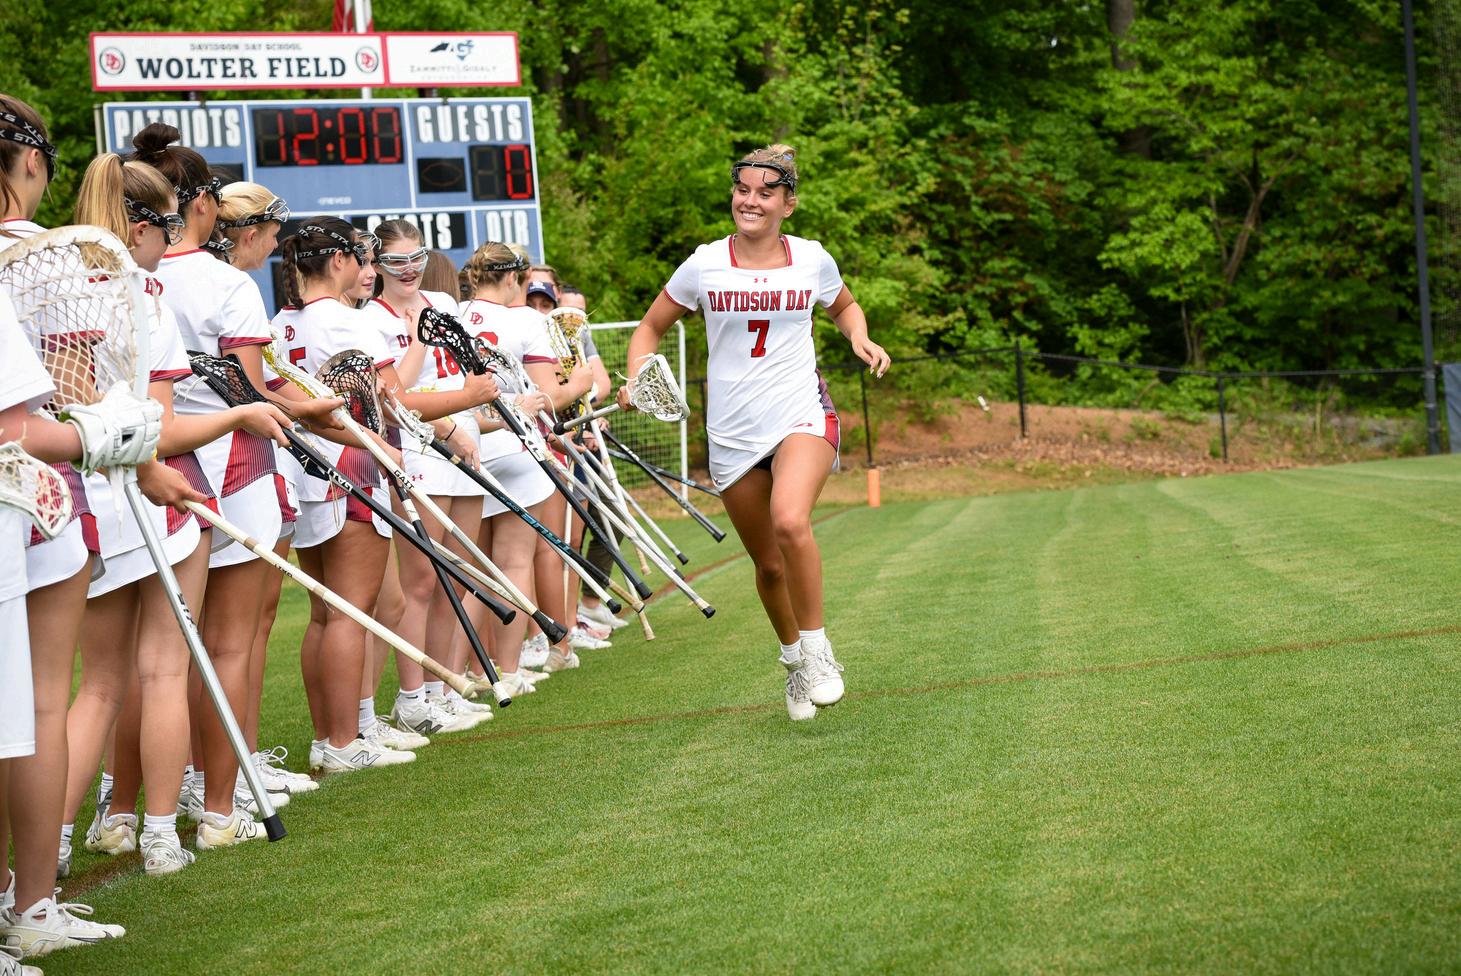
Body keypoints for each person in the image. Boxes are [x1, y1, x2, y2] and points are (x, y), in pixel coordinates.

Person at [61, 153, 290, 877]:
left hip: (81, 506)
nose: (173, 241)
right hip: (148, 497)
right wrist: (240, 416)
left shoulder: (54, 291)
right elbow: (156, 432)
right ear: (141, 228)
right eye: (167, 226)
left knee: (98, 685)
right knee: (163, 671)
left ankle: (60, 842)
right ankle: (162, 834)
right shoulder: (143, 298)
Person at [619, 144, 890, 721]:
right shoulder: (704, 264)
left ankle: (818, 652)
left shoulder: (812, 258)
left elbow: (845, 307)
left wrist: (858, 336)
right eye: (743, 190)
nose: (751, 201)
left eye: (766, 193)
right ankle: (794, 662)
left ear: (788, 204)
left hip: (800, 413)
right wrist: (638, 375)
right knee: (768, 566)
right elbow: (648, 329)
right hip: (732, 432)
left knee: (790, 520)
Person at [272, 219, 415, 773]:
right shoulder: (348, 321)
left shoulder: (280, 322)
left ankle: (330, 737)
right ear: (338, 261)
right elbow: (392, 400)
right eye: (360, 257)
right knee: (352, 613)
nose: (366, 268)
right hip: (350, 468)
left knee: (324, 615)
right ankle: (343, 741)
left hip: (304, 472)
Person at [365, 220, 496, 736]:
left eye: (416, 257)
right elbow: (394, 395)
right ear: (377, 265)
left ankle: (442, 690)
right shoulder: (370, 317)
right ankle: (411, 698)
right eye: (396, 261)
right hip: (418, 448)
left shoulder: (443, 302)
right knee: (422, 581)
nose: (410, 269)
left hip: (466, 439)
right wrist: (420, 336)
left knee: (456, 577)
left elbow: (468, 372)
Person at [458, 243, 589, 693]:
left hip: (467, 445)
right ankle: (508, 671)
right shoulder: (526, 320)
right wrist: (581, 382)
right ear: (514, 279)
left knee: (476, 569)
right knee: (513, 563)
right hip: (514, 446)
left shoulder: (451, 313)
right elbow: (549, 395)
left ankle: (474, 671)